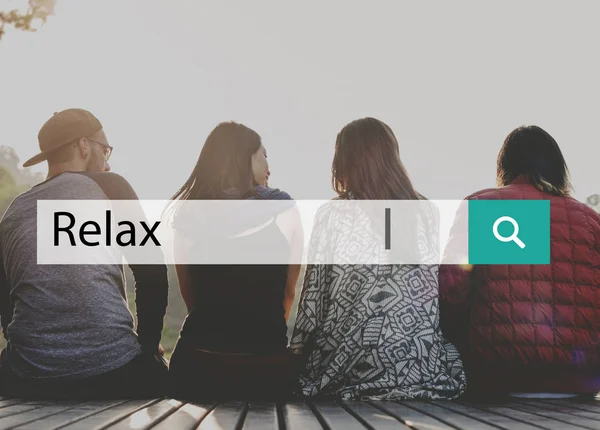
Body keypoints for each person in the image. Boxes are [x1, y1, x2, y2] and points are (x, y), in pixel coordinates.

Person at [289, 117, 467, 400]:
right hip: (417, 362)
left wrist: (297, 353)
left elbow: (314, 300)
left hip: (350, 363)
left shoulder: (332, 215)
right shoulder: (426, 212)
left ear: (345, 161)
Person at [0, 109, 169, 399]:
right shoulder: (112, 187)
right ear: (83, 146)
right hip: (113, 372)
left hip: (26, 376)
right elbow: (153, 272)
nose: (107, 162)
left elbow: (5, 300)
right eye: (106, 149)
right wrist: (148, 346)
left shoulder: (14, 211)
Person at [439, 125, 600, 397]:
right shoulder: (589, 219)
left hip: (498, 376)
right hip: (578, 381)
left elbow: (450, 292)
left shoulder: (485, 206)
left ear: (506, 165)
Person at [168, 121, 302, 400]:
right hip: (266, 367)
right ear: (245, 158)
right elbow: (288, 293)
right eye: (264, 155)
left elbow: (190, 293)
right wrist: (260, 335)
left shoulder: (189, 213)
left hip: (197, 364)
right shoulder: (284, 207)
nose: (269, 167)